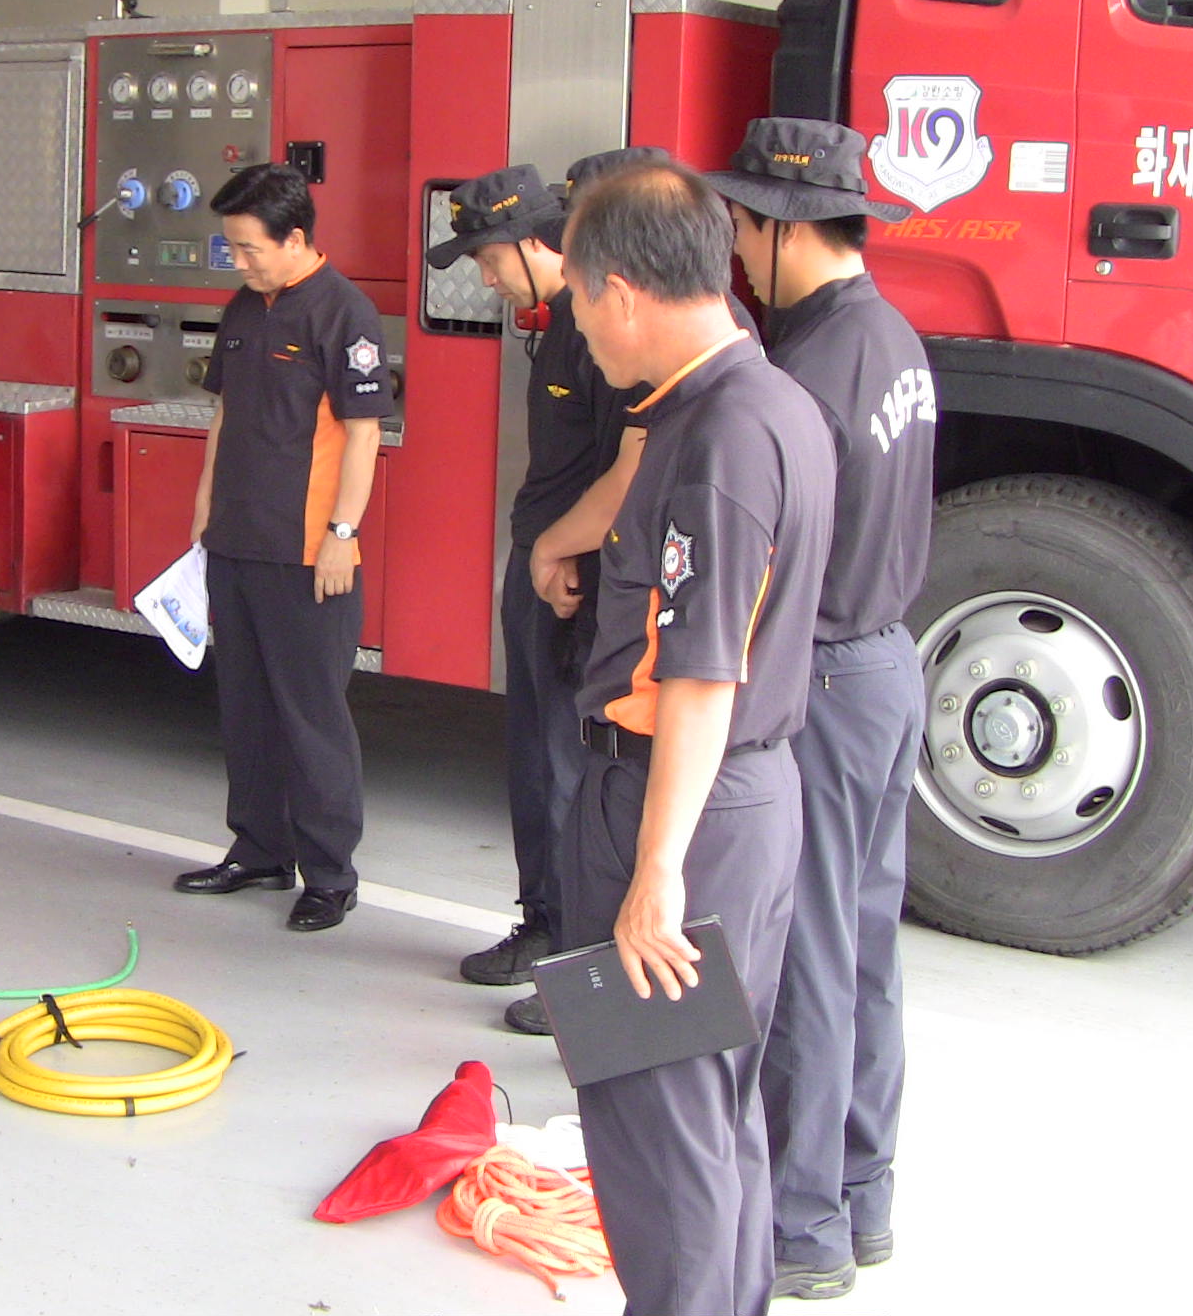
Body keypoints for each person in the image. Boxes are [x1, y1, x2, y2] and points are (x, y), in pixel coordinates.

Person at [558, 161, 835, 1316]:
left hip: (680, 814)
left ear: (621, 293)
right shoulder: (767, 403)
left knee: (654, 1126)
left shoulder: (719, 440)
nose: (579, 332)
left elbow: (703, 675)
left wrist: (656, 873)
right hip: (741, 807)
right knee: (712, 1117)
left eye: (578, 303)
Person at [707, 117, 932, 1301]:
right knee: (867, 948)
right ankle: (863, 1191)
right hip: (891, 666)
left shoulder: (804, 367)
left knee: (803, 955)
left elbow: (772, 550)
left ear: (788, 228)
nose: (739, 256)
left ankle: (802, 1228)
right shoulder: (892, 337)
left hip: (830, 678)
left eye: (744, 230)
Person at [428, 162, 644, 1033]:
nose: (485, 278)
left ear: (529, 241)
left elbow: (624, 473)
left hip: (573, 583)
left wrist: (567, 561)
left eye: (489, 258)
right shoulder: (557, 326)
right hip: (540, 567)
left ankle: (571, 956)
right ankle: (543, 922)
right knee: (534, 758)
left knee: (567, 769)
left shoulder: (598, 334)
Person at [174, 163, 392, 932]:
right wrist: (204, 505)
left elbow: (364, 435)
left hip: (308, 553)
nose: (237, 261)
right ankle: (260, 849)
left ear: (295, 238)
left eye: (248, 248)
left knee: (311, 718)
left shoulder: (344, 313)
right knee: (246, 707)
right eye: (231, 247)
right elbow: (224, 414)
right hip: (238, 541)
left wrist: (342, 534)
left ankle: (330, 874)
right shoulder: (243, 306)